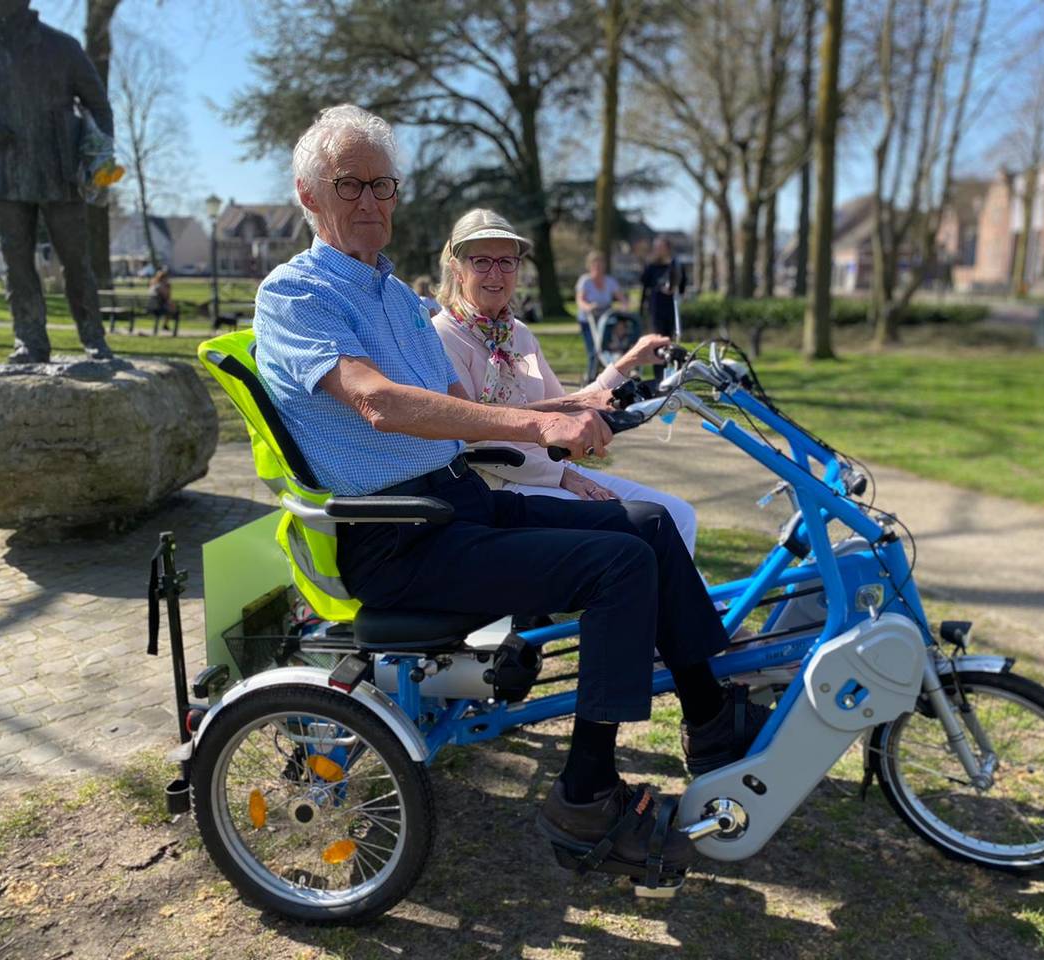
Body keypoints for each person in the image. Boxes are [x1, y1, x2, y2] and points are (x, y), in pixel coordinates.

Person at [253, 104, 768, 877]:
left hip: (457, 500)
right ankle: (586, 798)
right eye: (348, 183)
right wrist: (540, 432)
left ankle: (712, 720)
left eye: (381, 184)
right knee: (617, 567)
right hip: (400, 535)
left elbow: (466, 414)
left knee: (651, 527)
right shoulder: (295, 297)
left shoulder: (396, 296)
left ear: (397, 195)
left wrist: (585, 405)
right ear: (308, 194)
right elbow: (378, 402)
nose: (368, 201)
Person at [432, 210, 699, 554]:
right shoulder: (444, 336)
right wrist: (563, 476)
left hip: (553, 472)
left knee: (680, 515)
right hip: (500, 485)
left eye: (507, 262)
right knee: (641, 528)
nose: (496, 273)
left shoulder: (519, 335)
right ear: (457, 268)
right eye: (481, 261)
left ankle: (670, 608)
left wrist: (628, 360)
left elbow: (569, 407)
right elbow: (469, 439)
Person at [0, 0, 115, 363]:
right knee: (15, 263)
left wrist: (98, 157)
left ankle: (94, 339)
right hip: (2, 171)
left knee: (75, 260)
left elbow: (98, 104)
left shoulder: (62, 46)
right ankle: (30, 342)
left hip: (59, 169)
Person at [574, 250, 627, 385]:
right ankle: (590, 379)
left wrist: (624, 306)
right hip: (589, 320)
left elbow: (621, 298)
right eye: (595, 265)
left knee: (608, 349)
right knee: (594, 350)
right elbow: (580, 300)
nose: (598, 268)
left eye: (600, 265)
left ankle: (610, 377)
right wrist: (588, 307)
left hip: (606, 320)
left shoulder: (610, 281)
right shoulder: (585, 281)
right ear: (590, 266)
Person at [640, 236, 687, 379]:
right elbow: (644, 283)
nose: (658, 250)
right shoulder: (652, 266)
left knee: (672, 341)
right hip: (656, 307)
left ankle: (673, 374)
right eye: (656, 248)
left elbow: (682, 285)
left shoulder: (676, 265)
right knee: (659, 342)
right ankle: (659, 375)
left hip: (671, 307)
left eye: (661, 247)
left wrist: (675, 290)